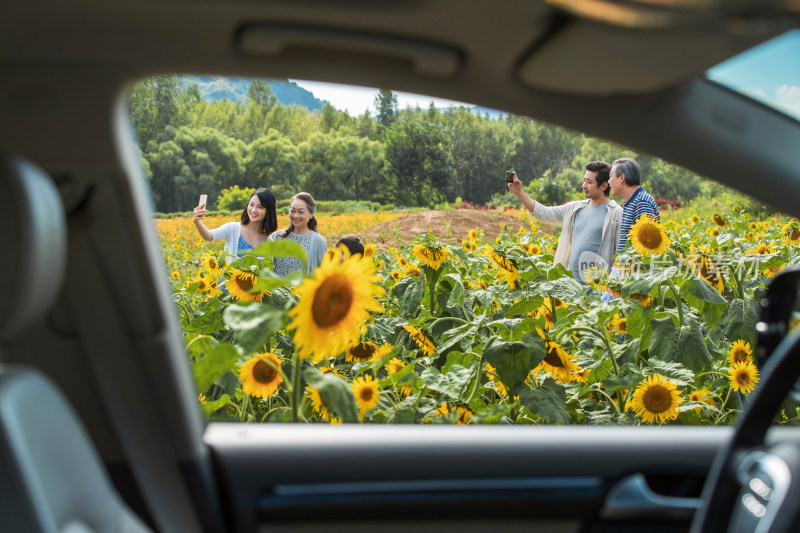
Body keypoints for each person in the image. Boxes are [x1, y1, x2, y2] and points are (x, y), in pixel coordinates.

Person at [508, 161, 622, 283]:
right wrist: (518, 192)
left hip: (597, 290)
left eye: (589, 182)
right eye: (584, 180)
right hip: (570, 287)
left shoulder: (616, 214)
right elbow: (543, 213)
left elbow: (621, 255)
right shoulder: (575, 208)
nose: (584, 185)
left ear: (604, 186)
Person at [192, 188, 278, 263]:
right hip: (228, 282)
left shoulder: (269, 243)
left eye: (260, 207)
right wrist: (197, 221)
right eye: (251, 205)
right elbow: (209, 236)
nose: (254, 210)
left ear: (268, 211)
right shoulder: (233, 228)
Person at [269, 192, 327, 276]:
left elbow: (323, 275)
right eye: (292, 211)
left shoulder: (319, 242)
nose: (296, 215)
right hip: (273, 289)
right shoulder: (277, 236)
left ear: (311, 214)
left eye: (301, 212)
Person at [608, 158, 660, 252]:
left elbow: (648, 245)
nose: (609, 182)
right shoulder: (630, 202)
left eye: (611, 176)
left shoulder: (642, 202)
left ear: (621, 178)